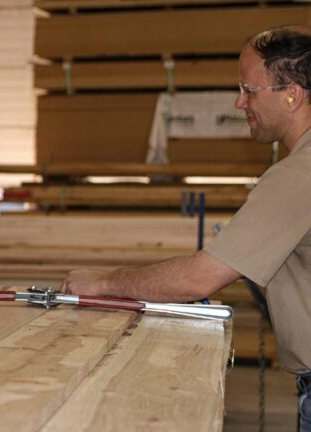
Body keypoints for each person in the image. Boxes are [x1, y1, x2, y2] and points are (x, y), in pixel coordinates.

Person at [61, 25, 311, 430]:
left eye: (249, 90)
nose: (239, 101)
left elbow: (199, 279)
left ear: (292, 94)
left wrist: (101, 283)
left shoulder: (299, 174)